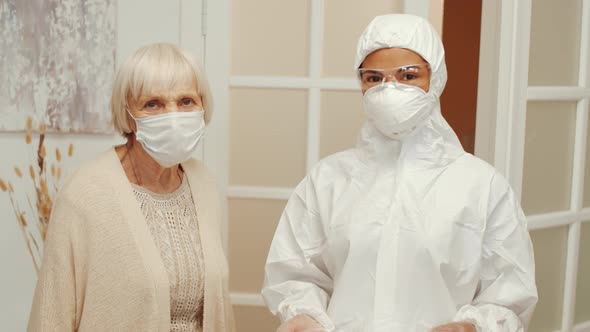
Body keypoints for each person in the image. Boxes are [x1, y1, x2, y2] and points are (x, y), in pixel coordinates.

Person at [262, 14, 537, 332]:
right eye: (374, 78)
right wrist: (305, 315)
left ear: (436, 79)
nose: (389, 89)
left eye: (408, 76)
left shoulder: (483, 185)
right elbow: (295, 274)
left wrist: (469, 328)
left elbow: (509, 296)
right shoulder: (327, 180)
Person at [28, 43, 235, 332]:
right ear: (128, 115)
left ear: (203, 106)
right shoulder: (85, 194)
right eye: (153, 104)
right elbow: (52, 316)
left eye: (186, 101)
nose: (173, 116)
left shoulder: (204, 185)